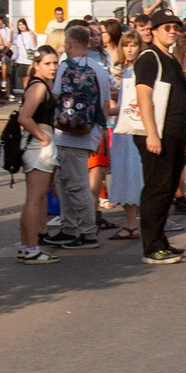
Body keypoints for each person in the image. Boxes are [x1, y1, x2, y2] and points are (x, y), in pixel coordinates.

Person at [132, 10, 186, 263]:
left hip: (175, 133)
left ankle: (161, 241)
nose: (172, 31)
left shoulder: (170, 59)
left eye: (175, 27)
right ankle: (152, 247)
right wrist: (152, 134)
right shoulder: (149, 57)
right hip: (158, 133)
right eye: (166, 27)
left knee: (168, 188)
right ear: (153, 31)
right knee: (157, 189)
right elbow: (143, 96)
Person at [43, 23, 111, 247]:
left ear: (70, 43)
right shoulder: (98, 68)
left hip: (67, 132)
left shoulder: (66, 66)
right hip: (89, 130)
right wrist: (99, 130)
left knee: (76, 184)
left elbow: (55, 96)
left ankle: (87, 232)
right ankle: (70, 227)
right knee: (65, 182)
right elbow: (105, 103)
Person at [11, 45, 62, 263]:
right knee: (35, 199)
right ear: (36, 65)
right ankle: (31, 248)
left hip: (37, 143)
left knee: (33, 199)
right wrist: (43, 137)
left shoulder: (41, 85)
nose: (53, 67)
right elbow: (24, 117)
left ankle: (27, 246)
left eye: (55, 63)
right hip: (38, 146)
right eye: (47, 63)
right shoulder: (39, 86)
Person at [105, 27, 146, 238]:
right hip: (123, 128)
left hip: (133, 127)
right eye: (126, 45)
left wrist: (107, 110)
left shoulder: (138, 70)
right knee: (125, 173)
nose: (129, 49)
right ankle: (131, 223)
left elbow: (132, 104)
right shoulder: (126, 69)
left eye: (133, 45)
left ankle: (132, 224)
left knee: (133, 174)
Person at [9, 17, 38, 96]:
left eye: (22, 24)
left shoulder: (31, 33)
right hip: (20, 60)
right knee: (24, 78)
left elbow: (35, 45)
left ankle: (30, 93)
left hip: (29, 60)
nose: (21, 26)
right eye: (19, 25)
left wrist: (32, 36)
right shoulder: (18, 36)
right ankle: (26, 93)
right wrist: (11, 31)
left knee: (29, 77)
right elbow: (11, 42)